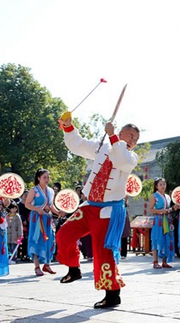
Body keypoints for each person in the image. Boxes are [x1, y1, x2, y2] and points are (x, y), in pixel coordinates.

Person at [56, 116, 140, 309]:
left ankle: (112, 295)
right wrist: (68, 127)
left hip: (108, 211)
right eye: (131, 136)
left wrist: (113, 137)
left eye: (136, 139)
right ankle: (74, 268)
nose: (133, 141)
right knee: (64, 234)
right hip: (89, 206)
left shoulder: (130, 156)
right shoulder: (103, 146)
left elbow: (122, 161)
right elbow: (80, 145)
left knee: (104, 253)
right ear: (122, 133)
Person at [25, 169, 60, 276]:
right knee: (37, 240)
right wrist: (37, 209)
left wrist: (58, 212)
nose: (46, 179)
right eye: (44, 177)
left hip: (47, 218)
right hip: (37, 218)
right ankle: (37, 266)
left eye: (48, 177)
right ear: (38, 178)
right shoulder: (34, 190)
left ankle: (47, 264)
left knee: (49, 240)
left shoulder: (50, 191)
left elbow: (51, 205)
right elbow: (27, 204)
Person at [148, 178, 174, 268]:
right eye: (161, 184)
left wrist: (172, 209)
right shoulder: (154, 196)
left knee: (167, 239)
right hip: (158, 220)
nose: (163, 186)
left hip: (166, 219)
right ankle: (155, 261)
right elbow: (151, 209)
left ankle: (164, 261)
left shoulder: (167, 196)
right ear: (156, 186)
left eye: (164, 184)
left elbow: (168, 209)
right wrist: (160, 211)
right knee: (156, 239)